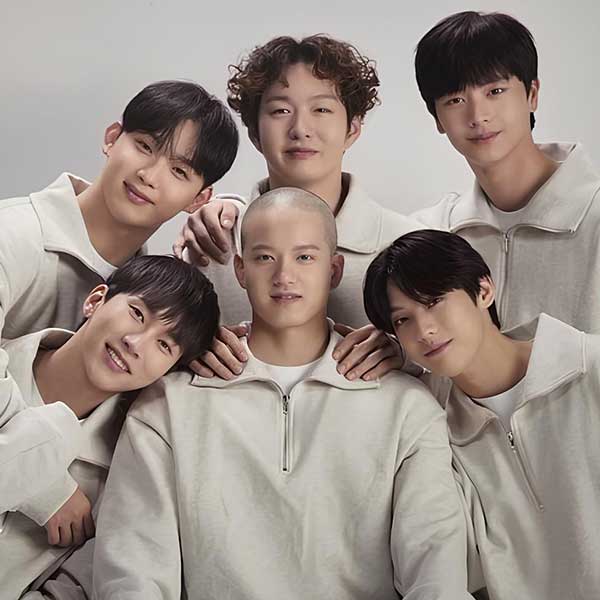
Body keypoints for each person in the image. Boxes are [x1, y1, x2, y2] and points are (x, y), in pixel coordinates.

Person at [94, 189, 472, 600]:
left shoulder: (406, 407)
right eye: (264, 257)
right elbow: (133, 571)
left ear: (334, 270)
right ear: (240, 270)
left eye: (304, 257)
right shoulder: (168, 405)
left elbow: (436, 571)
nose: (284, 276)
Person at [363, 229, 600, 598]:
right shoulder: (431, 427)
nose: (424, 330)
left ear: (484, 290)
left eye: (434, 301)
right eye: (403, 320)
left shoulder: (591, 368)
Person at [175, 35, 420, 381]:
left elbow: (454, 362)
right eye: (280, 111)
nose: (300, 129)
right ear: (255, 134)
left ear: (352, 129)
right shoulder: (214, 241)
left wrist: (408, 354)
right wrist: (189, 348)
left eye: (321, 109)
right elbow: (159, 350)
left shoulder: (407, 243)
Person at [0, 79, 238, 404]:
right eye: (145, 146)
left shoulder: (148, 292)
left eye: (179, 171)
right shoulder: (13, 233)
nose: (149, 176)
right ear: (112, 138)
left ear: (198, 199)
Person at [1, 254, 220, 600]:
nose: (136, 344)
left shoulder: (119, 476)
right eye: (137, 314)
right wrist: (46, 488)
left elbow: (75, 588)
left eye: (164, 345)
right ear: (95, 300)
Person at [412, 10, 600, 332]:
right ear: (437, 119)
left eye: (495, 91)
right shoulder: (430, 233)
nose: (478, 116)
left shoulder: (593, 216)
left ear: (532, 95)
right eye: (455, 100)